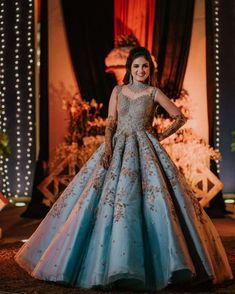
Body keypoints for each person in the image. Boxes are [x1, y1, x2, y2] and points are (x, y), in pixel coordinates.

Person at [15, 46, 233, 291]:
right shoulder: (118, 91)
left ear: (150, 70)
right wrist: (108, 147)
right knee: (97, 201)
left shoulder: (153, 92)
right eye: (137, 66)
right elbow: (111, 122)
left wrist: (159, 137)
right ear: (130, 69)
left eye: (145, 66)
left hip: (145, 149)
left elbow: (179, 117)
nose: (141, 70)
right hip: (117, 147)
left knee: (151, 202)